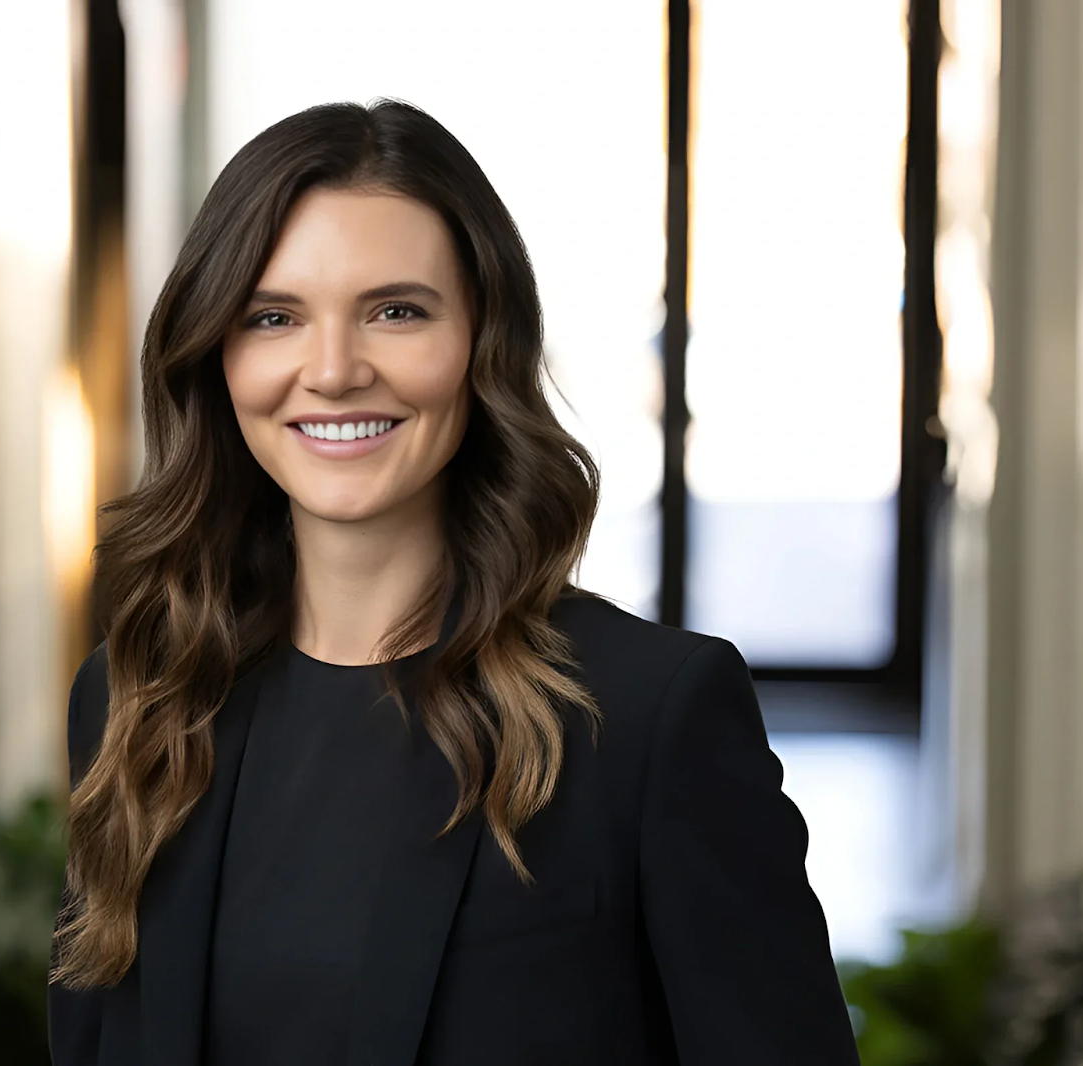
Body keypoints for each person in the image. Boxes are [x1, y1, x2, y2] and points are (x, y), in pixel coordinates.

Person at [47, 98, 860, 1066]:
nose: (335, 369)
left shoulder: (645, 717)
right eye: (273, 317)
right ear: (216, 356)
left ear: (484, 342)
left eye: (396, 311)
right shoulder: (136, 698)